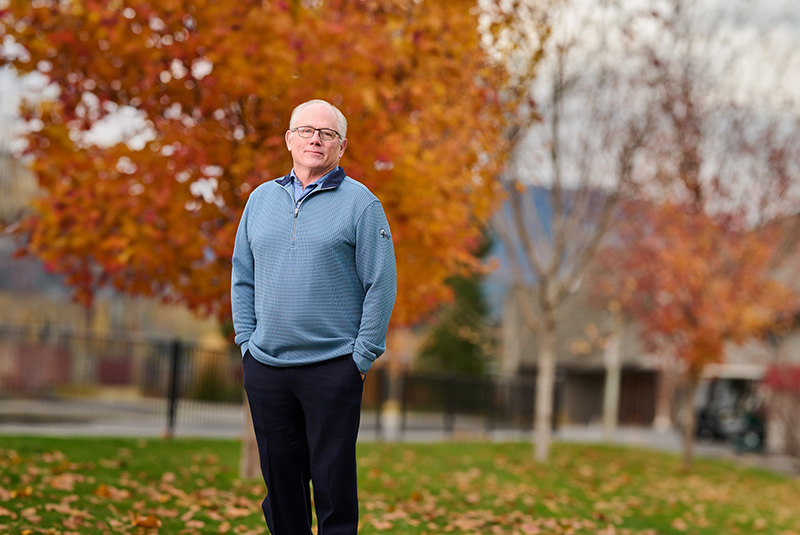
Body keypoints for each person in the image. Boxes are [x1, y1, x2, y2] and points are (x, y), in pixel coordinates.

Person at [231, 99, 397, 535]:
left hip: (332, 368)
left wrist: (361, 358)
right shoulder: (260, 200)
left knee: (332, 489)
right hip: (267, 368)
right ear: (289, 139)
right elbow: (242, 276)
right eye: (306, 131)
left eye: (326, 134)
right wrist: (247, 343)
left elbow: (381, 284)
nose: (315, 139)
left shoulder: (361, 205)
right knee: (282, 491)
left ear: (341, 146)